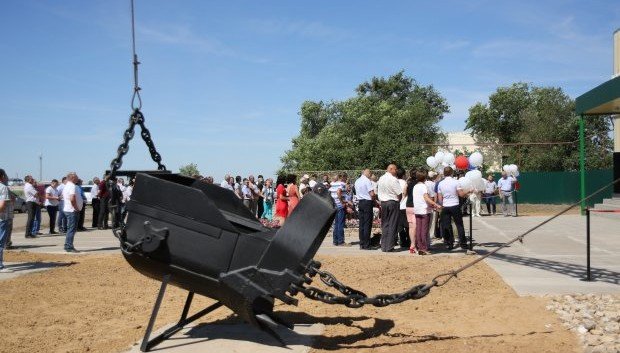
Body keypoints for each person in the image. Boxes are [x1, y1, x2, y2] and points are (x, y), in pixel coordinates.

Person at [437, 166, 469, 250]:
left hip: (445, 206)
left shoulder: (441, 183)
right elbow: (461, 194)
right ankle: (463, 243)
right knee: (459, 225)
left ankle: (449, 243)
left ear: (444, 173)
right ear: (452, 173)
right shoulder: (456, 182)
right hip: (455, 204)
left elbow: (440, 198)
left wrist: (441, 204)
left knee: (447, 225)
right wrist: (469, 191)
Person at [412, 170, 441, 255]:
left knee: (418, 230)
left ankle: (419, 246)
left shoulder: (415, 186)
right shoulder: (423, 186)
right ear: (425, 178)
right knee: (424, 230)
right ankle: (423, 248)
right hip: (424, 210)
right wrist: (435, 204)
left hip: (417, 210)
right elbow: (426, 198)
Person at [377, 164, 402, 252]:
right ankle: (390, 246)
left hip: (383, 202)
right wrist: (398, 201)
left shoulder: (381, 178)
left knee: (385, 224)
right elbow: (399, 193)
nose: (396, 171)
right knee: (392, 224)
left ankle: (384, 246)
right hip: (392, 201)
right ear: (391, 169)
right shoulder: (393, 179)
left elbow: (378, 191)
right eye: (395, 169)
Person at [62, 172, 83, 253]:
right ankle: (68, 246)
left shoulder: (68, 185)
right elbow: (72, 198)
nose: (78, 178)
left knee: (71, 228)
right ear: (72, 178)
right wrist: (76, 208)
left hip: (70, 209)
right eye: (76, 177)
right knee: (71, 229)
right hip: (72, 210)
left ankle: (68, 245)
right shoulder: (71, 186)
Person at [354, 169, 375, 250]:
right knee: (367, 224)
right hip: (367, 202)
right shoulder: (367, 181)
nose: (370, 174)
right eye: (370, 173)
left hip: (360, 202)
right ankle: (366, 244)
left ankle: (362, 243)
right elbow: (372, 194)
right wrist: (374, 199)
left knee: (361, 224)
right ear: (367, 173)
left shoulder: (357, 180)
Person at [0, 168, 13, 272]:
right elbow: (3, 204)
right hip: (2, 218)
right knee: (1, 241)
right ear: (2, 176)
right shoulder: (3, 187)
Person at [329, 174, 348, 246]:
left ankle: (335, 241)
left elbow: (330, 192)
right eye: (346, 178)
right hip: (340, 205)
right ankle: (341, 241)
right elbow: (338, 192)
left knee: (336, 224)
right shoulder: (342, 184)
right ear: (343, 178)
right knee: (340, 224)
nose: (346, 180)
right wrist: (342, 202)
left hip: (334, 205)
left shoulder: (333, 184)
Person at [396, 168, 410, 250]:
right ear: (404, 175)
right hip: (405, 205)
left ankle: (402, 241)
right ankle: (408, 241)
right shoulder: (405, 182)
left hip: (398, 205)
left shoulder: (395, 182)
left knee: (400, 225)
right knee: (407, 225)